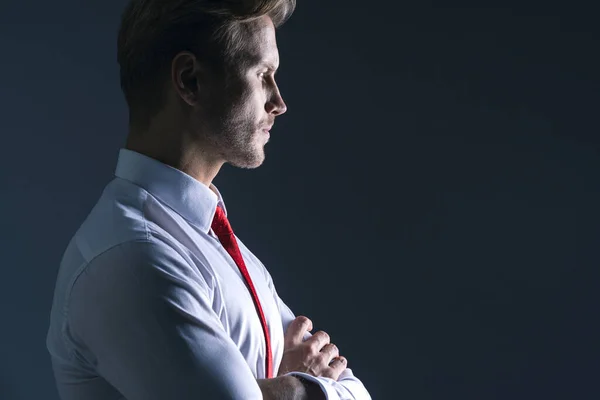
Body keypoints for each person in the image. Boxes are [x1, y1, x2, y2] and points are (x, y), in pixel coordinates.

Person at [46, 0, 371, 399]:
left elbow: (357, 392)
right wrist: (301, 388)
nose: (278, 103)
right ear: (190, 80)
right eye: (263, 74)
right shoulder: (130, 257)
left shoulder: (226, 252)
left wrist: (278, 391)